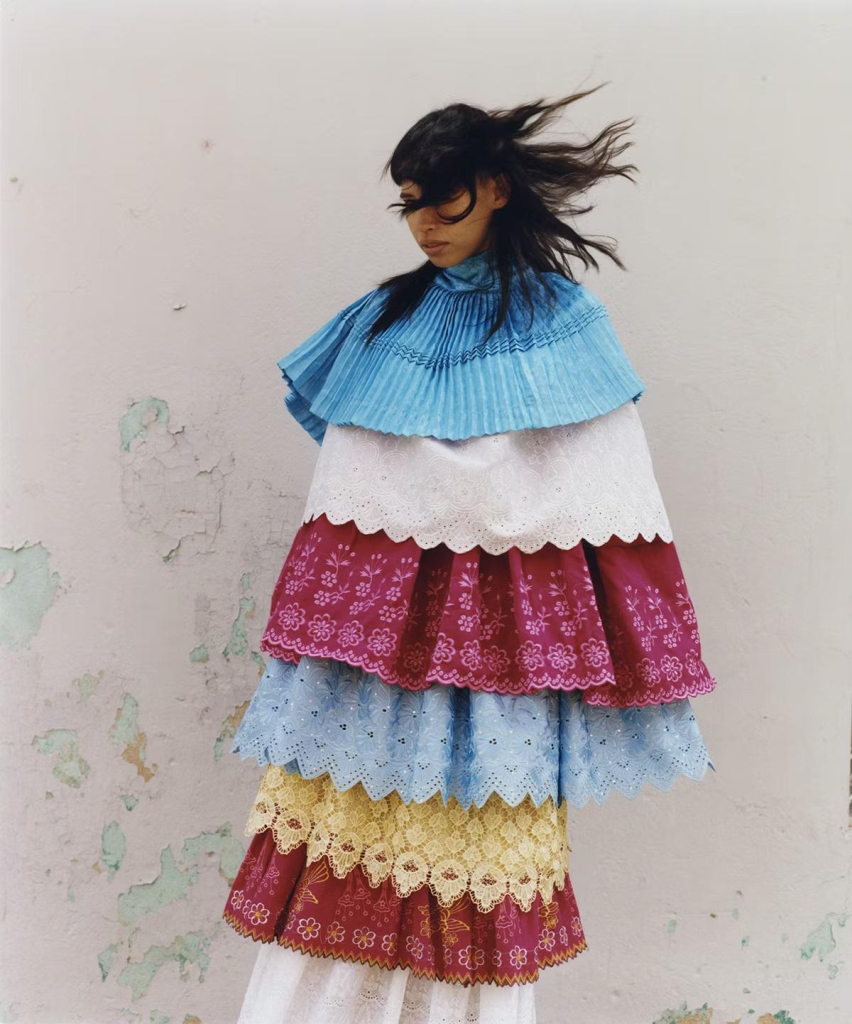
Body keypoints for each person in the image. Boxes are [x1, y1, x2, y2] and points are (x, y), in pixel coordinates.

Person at [222, 87, 717, 1024]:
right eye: (406, 203)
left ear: (494, 188)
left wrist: (481, 512)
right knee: (350, 824)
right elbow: (354, 486)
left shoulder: (563, 326)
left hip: (504, 651)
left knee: (475, 848)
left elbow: (597, 492)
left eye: (439, 202)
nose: (421, 226)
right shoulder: (383, 321)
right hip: (380, 645)